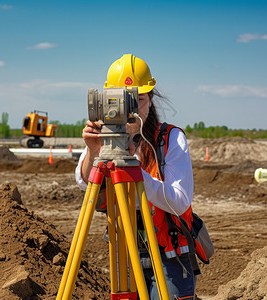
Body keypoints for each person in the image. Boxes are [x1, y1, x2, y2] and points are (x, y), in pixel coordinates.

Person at [75, 54, 196, 299]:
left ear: (150, 100)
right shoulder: (102, 137)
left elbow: (180, 201)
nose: (130, 109)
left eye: (137, 99)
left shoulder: (169, 139)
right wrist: (92, 150)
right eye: (121, 100)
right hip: (125, 252)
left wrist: (133, 170)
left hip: (168, 254)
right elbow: (86, 183)